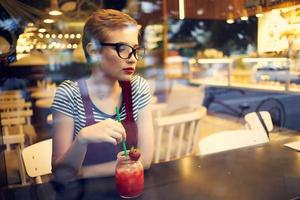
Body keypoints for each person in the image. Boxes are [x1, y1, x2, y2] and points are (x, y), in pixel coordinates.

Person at [51, 9, 154, 181]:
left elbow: (146, 160)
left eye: (135, 49)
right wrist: (82, 139)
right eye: (122, 48)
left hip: (128, 189)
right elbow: (61, 173)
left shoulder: (137, 88)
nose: (133, 59)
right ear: (94, 51)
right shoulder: (69, 94)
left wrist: (82, 173)